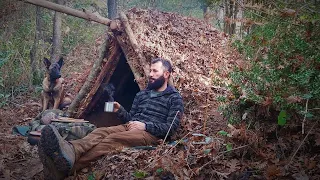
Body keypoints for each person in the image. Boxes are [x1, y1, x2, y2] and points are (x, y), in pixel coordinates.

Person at [38, 58, 184, 179]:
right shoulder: (142, 95)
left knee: (113, 139)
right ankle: (71, 149)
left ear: (166, 74)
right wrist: (119, 110)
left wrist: (145, 126)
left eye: (155, 71)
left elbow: (170, 128)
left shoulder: (174, 98)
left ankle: (68, 168)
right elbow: (131, 118)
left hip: (150, 134)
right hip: (131, 127)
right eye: (150, 70)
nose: (150, 74)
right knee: (101, 132)